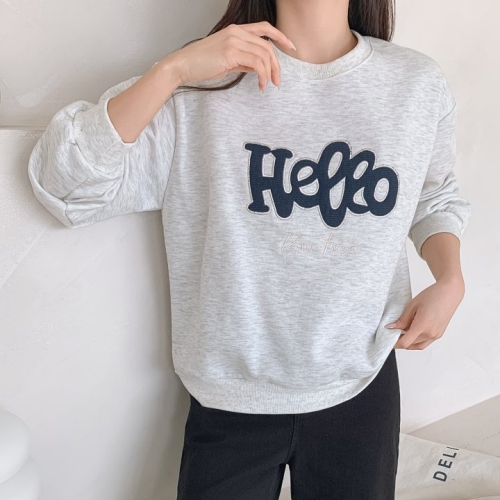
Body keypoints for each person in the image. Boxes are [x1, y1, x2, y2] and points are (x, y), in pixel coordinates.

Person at [27, 0, 472, 498]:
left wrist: (450, 278)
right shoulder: (202, 86)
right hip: (230, 394)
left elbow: (433, 195)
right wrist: (172, 71)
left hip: (360, 381)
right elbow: (65, 187)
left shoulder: (415, 84)